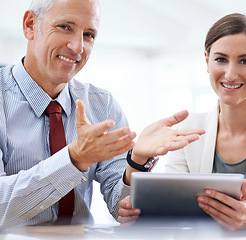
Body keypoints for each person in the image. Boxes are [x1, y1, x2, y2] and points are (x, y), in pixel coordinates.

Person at [0, 0, 205, 231]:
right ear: (30, 25)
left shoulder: (102, 105)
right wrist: (74, 159)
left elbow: (121, 209)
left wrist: (136, 162)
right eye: (65, 27)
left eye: (88, 35)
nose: (78, 47)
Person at [118, 13, 246, 232]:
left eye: (245, 61)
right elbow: (174, 205)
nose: (231, 74)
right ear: (207, 61)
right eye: (221, 59)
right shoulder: (188, 130)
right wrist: (142, 211)